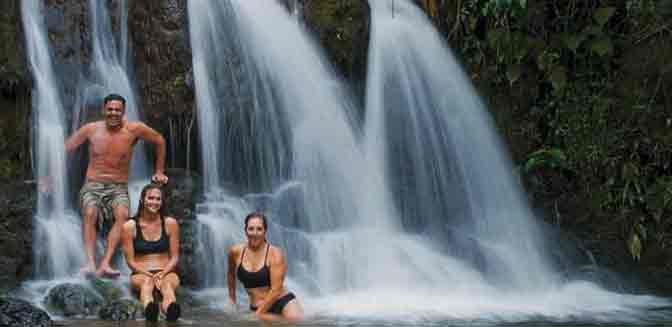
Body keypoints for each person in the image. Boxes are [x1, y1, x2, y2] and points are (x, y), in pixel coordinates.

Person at [63, 93, 168, 277]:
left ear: (123, 111)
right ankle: (89, 263)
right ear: (104, 110)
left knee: (123, 214)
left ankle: (105, 263)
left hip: (118, 186)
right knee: (90, 212)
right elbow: (66, 148)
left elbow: (159, 140)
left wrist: (159, 171)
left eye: (117, 110)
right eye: (110, 109)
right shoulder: (91, 129)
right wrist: (50, 177)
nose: (113, 113)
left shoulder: (134, 130)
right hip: (93, 184)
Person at [227, 212, 303, 322]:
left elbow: (276, 290)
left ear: (265, 231)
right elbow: (230, 274)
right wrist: (232, 299)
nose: (255, 233)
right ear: (245, 230)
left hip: (281, 302)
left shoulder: (275, 254)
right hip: (256, 306)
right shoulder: (235, 252)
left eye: (259, 229)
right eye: (251, 229)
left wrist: (257, 315)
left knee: (297, 321)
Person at [121, 183, 181, 322]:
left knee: (167, 285)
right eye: (151, 198)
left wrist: (163, 273)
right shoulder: (129, 227)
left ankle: (171, 310)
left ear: (162, 201)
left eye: (158, 199)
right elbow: (130, 261)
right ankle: (150, 310)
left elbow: (174, 257)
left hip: (167, 271)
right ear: (142, 199)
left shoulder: (170, 223)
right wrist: (149, 274)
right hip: (141, 273)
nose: (154, 202)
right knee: (147, 284)